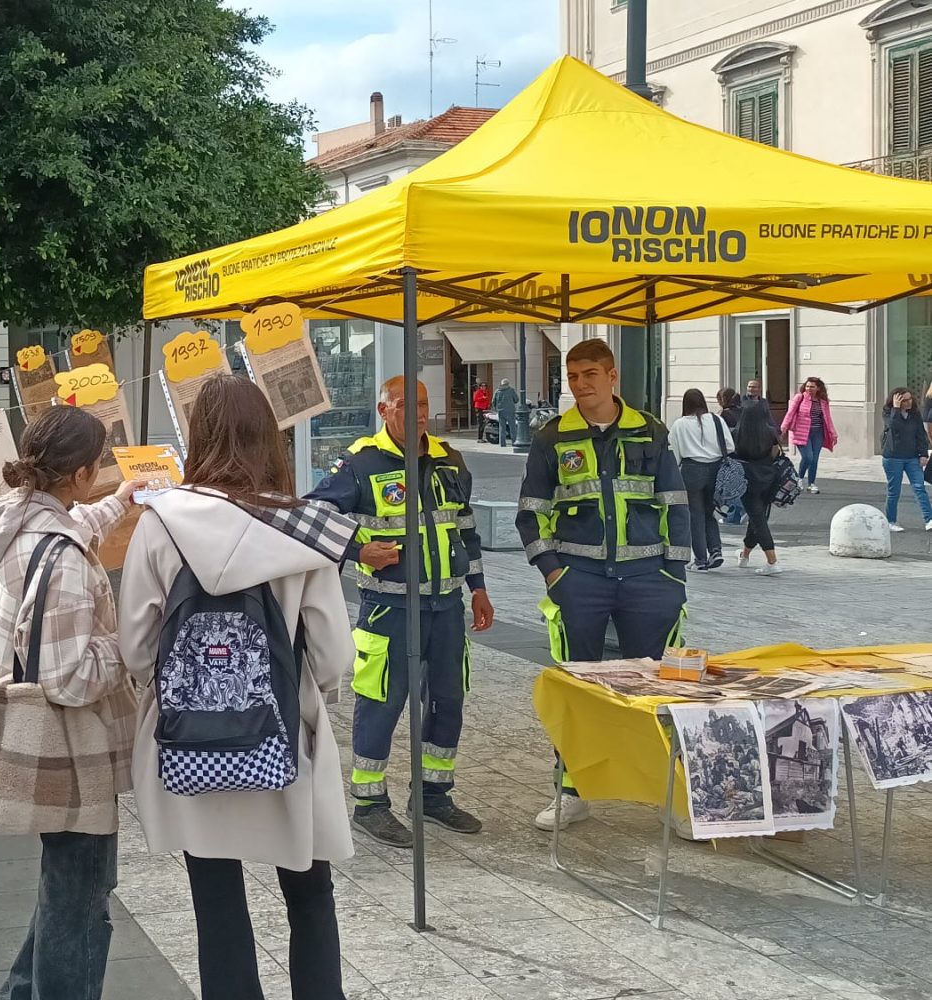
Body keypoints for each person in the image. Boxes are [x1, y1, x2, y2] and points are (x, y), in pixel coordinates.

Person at [119, 375, 354, 1000]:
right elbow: (333, 656)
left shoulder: (159, 524)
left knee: (215, 900)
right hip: (284, 739)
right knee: (310, 895)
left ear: (199, 437)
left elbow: (136, 648)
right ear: (268, 439)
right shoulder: (304, 530)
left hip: (191, 741)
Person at [0, 405, 144, 1000]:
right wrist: (134, 641)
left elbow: (73, 531)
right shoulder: (62, 556)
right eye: (98, 469)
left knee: (68, 886)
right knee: (79, 902)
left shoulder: (17, 521)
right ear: (78, 474)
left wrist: (121, 499)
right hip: (70, 750)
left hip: (36, 737)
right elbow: (68, 679)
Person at [306, 377, 492, 847]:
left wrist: (479, 589)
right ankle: (369, 803)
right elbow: (314, 515)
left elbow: (465, 530)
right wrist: (357, 550)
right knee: (382, 704)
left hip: (446, 606)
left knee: (448, 701)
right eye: (408, 406)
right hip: (389, 609)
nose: (420, 414)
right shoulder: (360, 463)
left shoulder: (450, 460)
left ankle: (433, 794)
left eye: (426, 405)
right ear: (384, 409)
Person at [517, 339, 689, 831]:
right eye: (572, 377)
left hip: (648, 581)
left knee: (659, 691)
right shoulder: (552, 438)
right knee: (579, 691)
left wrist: (673, 578)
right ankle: (573, 790)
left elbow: (677, 505)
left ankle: (672, 798)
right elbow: (530, 516)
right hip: (581, 583)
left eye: (590, 374)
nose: (580, 385)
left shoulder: (650, 431)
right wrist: (555, 575)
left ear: (613, 377)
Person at [669, 389, 732, 571]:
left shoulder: (680, 424)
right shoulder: (716, 420)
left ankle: (700, 559)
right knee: (710, 511)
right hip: (716, 470)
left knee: (695, 515)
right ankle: (716, 550)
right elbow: (730, 446)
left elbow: (674, 454)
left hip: (691, 470)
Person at [733, 399, 785, 575]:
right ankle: (744, 555)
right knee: (758, 516)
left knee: (758, 519)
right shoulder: (770, 432)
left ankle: (772, 561)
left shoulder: (737, 433)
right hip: (768, 478)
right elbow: (774, 453)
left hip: (747, 480)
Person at [880, 386, 932, 532]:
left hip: (912, 457)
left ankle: (929, 519)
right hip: (893, 457)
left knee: (919, 487)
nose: (909, 402)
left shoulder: (915, 414)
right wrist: (896, 409)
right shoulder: (888, 412)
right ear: (896, 401)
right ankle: (891, 521)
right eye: (904, 400)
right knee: (894, 491)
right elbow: (893, 426)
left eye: (910, 399)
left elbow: (921, 434)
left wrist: (923, 454)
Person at [779, 377, 836, 495]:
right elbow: (790, 413)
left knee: (814, 460)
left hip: (818, 433)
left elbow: (827, 418)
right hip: (802, 432)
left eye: (812, 386)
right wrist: (783, 428)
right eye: (807, 386)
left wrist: (833, 433)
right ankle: (798, 479)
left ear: (818, 388)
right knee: (808, 457)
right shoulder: (799, 398)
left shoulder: (823, 401)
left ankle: (811, 484)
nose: (809, 388)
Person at [717, 388, 748, 524]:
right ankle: (736, 514)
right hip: (745, 452)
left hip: (731, 454)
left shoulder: (723, 414)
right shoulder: (744, 411)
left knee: (729, 485)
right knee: (740, 483)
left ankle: (737, 513)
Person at [494, 379, 519, 448]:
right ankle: (514, 442)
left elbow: (493, 401)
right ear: (508, 384)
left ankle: (502, 443)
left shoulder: (497, 391)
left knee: (502, 428)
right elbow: (516, 399)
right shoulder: (511, 390)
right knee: (512, 427)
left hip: (500, 411)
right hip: (510, 411)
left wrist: (496, 408)